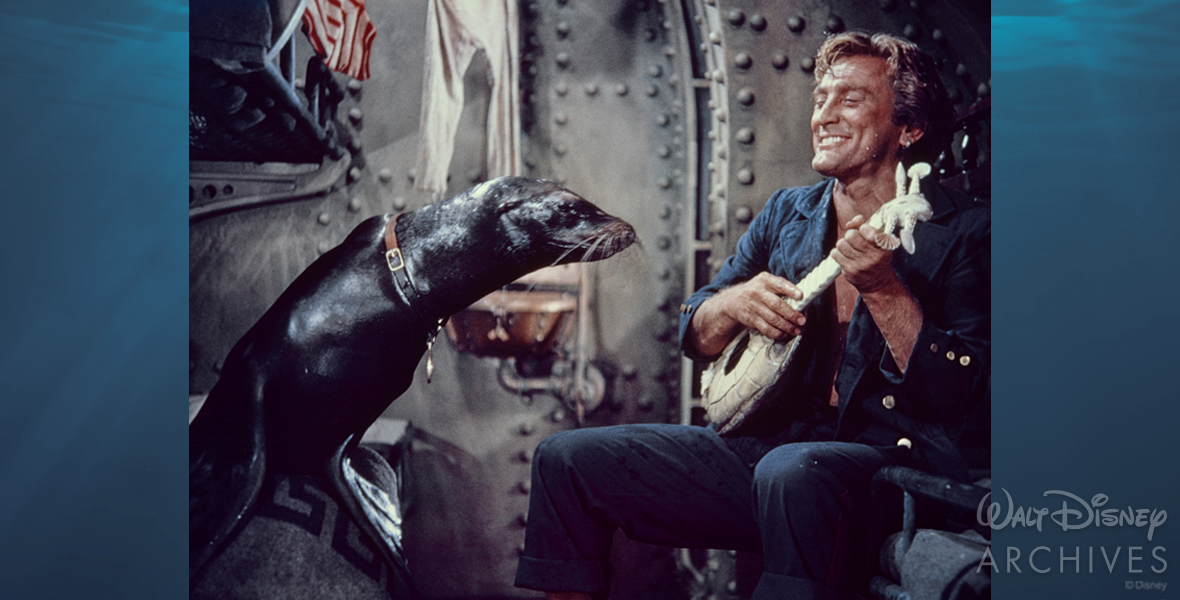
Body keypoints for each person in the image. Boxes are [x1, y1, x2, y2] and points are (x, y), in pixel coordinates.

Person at [513, 31, 990, 600]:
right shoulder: (788, 212)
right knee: (567, 460)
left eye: (851, 100)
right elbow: (695, 326)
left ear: (907, 128)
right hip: (774, 454)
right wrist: (730, 304)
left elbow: (965, 397)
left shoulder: (966, 231)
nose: (825, 116)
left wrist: (884, 290)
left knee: (794, 472)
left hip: (889, 468)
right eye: (820, 99)